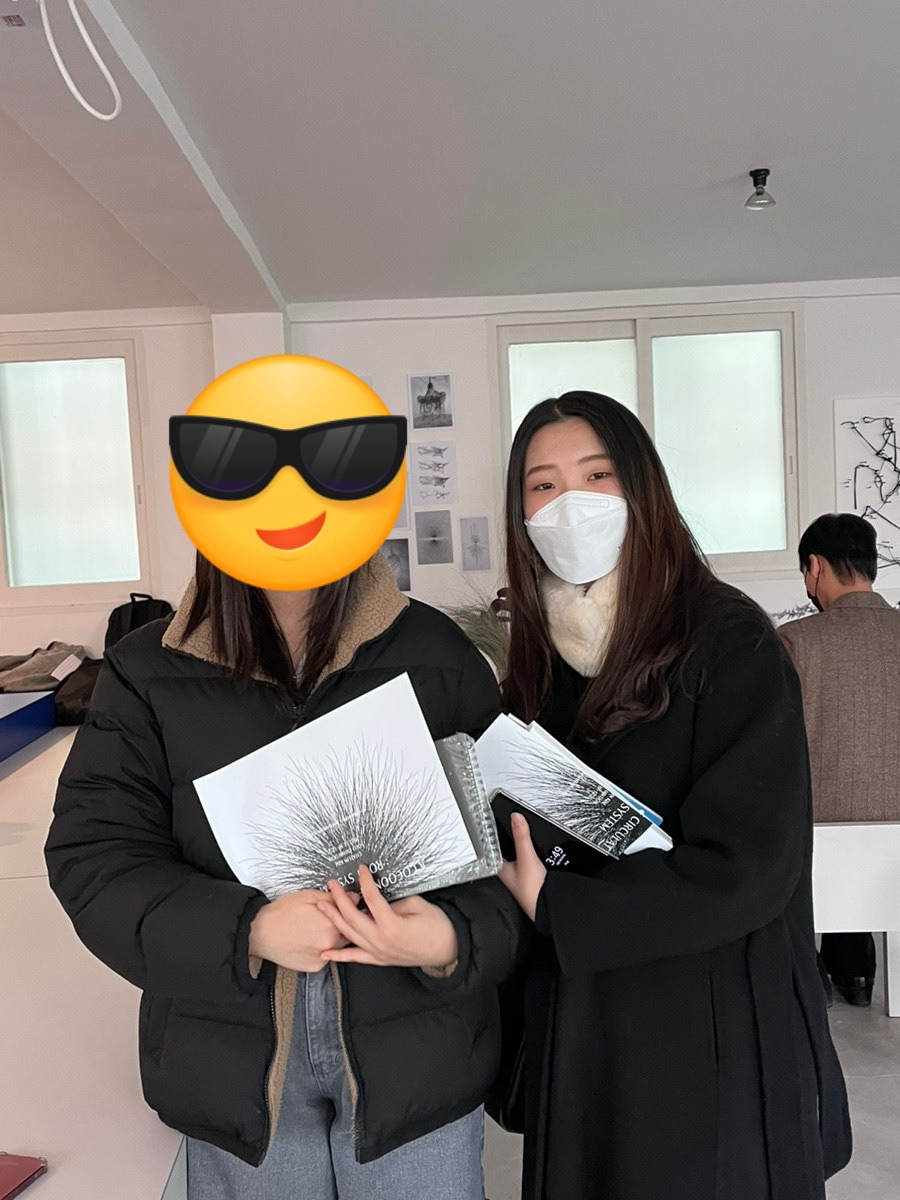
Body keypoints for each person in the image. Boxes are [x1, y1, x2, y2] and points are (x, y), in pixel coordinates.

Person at [44, 549, 526, 1200]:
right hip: (230, 1066)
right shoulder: (145, 669)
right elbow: (97, 856)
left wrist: (449, 937)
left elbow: (513, 845)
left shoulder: (437, 651)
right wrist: (248, 930)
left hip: (419, 1054)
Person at [495, 392, 852, 1200]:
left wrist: (561, 906)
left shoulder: (728, 640)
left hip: (708, 1021)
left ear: (643, 488)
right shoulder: (543, 656)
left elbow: (751, 866)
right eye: (543, 486)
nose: (570, 503)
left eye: (597, 476)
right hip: (587, 1016)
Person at [779, 512, 900, 1007]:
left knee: (803, 803)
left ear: (814, 567)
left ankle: (816, 972)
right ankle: (857, 973)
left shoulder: (796, 641)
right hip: (894, 837)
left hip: (820, 839)